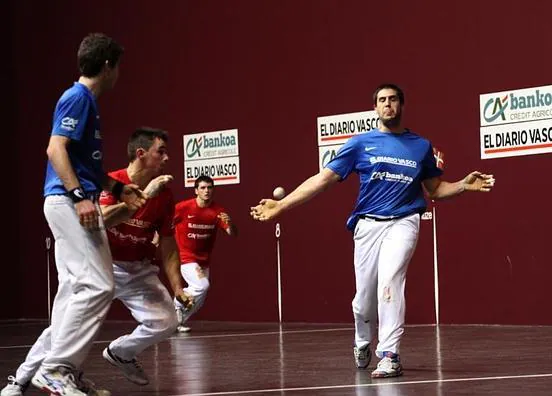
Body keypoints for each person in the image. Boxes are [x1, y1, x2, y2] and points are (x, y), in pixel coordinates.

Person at [250, 83, 495, 379]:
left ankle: (389, 354)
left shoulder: (421, 146)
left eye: (393, 99)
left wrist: (462, 186)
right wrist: (281, 206)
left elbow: (434, 189)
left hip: (405, 220)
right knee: (364, 298)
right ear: (375, 108)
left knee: (390, 282)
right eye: (382, 100)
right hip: (367, 224)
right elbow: (323, 179)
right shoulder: (360, 144)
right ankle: (362, 340)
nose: (388, 104)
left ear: (401, 106)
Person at [2, 33, 149, 396]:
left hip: (67, 200)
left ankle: (42, 375)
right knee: (100, 285)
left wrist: (115, 188)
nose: (119, 76)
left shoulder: (86, 103)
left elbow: (84, 162)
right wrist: (80, 197)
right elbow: (56, 149)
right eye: (118, 68)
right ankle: (56, 369)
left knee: (72, 293)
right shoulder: (77, 98)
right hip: (68, 203)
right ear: (107, 66)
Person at [1, 128, 191, 395]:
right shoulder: (112, 182)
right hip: (101, 264)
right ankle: (20, 380)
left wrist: (178, 287)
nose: (167, 158)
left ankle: (121, 353)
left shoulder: (166, 195)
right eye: (161, 151)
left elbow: (169, 244)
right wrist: (144, 194)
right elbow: (103, 219)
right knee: (65, 326)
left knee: (166, 320)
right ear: (141, 154)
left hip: (137, 270)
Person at [173, 176, 238, 333]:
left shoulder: (218, 211)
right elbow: (165, 223)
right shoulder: (183, 207)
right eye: (202, 188)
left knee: (200, 299)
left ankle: (176, 322)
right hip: (185, 256)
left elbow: (232, 233)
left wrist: (230, 223)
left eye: (209, 187)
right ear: (196, 191)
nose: (206, 191)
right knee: (202, 285)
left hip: (204, 259)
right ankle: (177, 301)